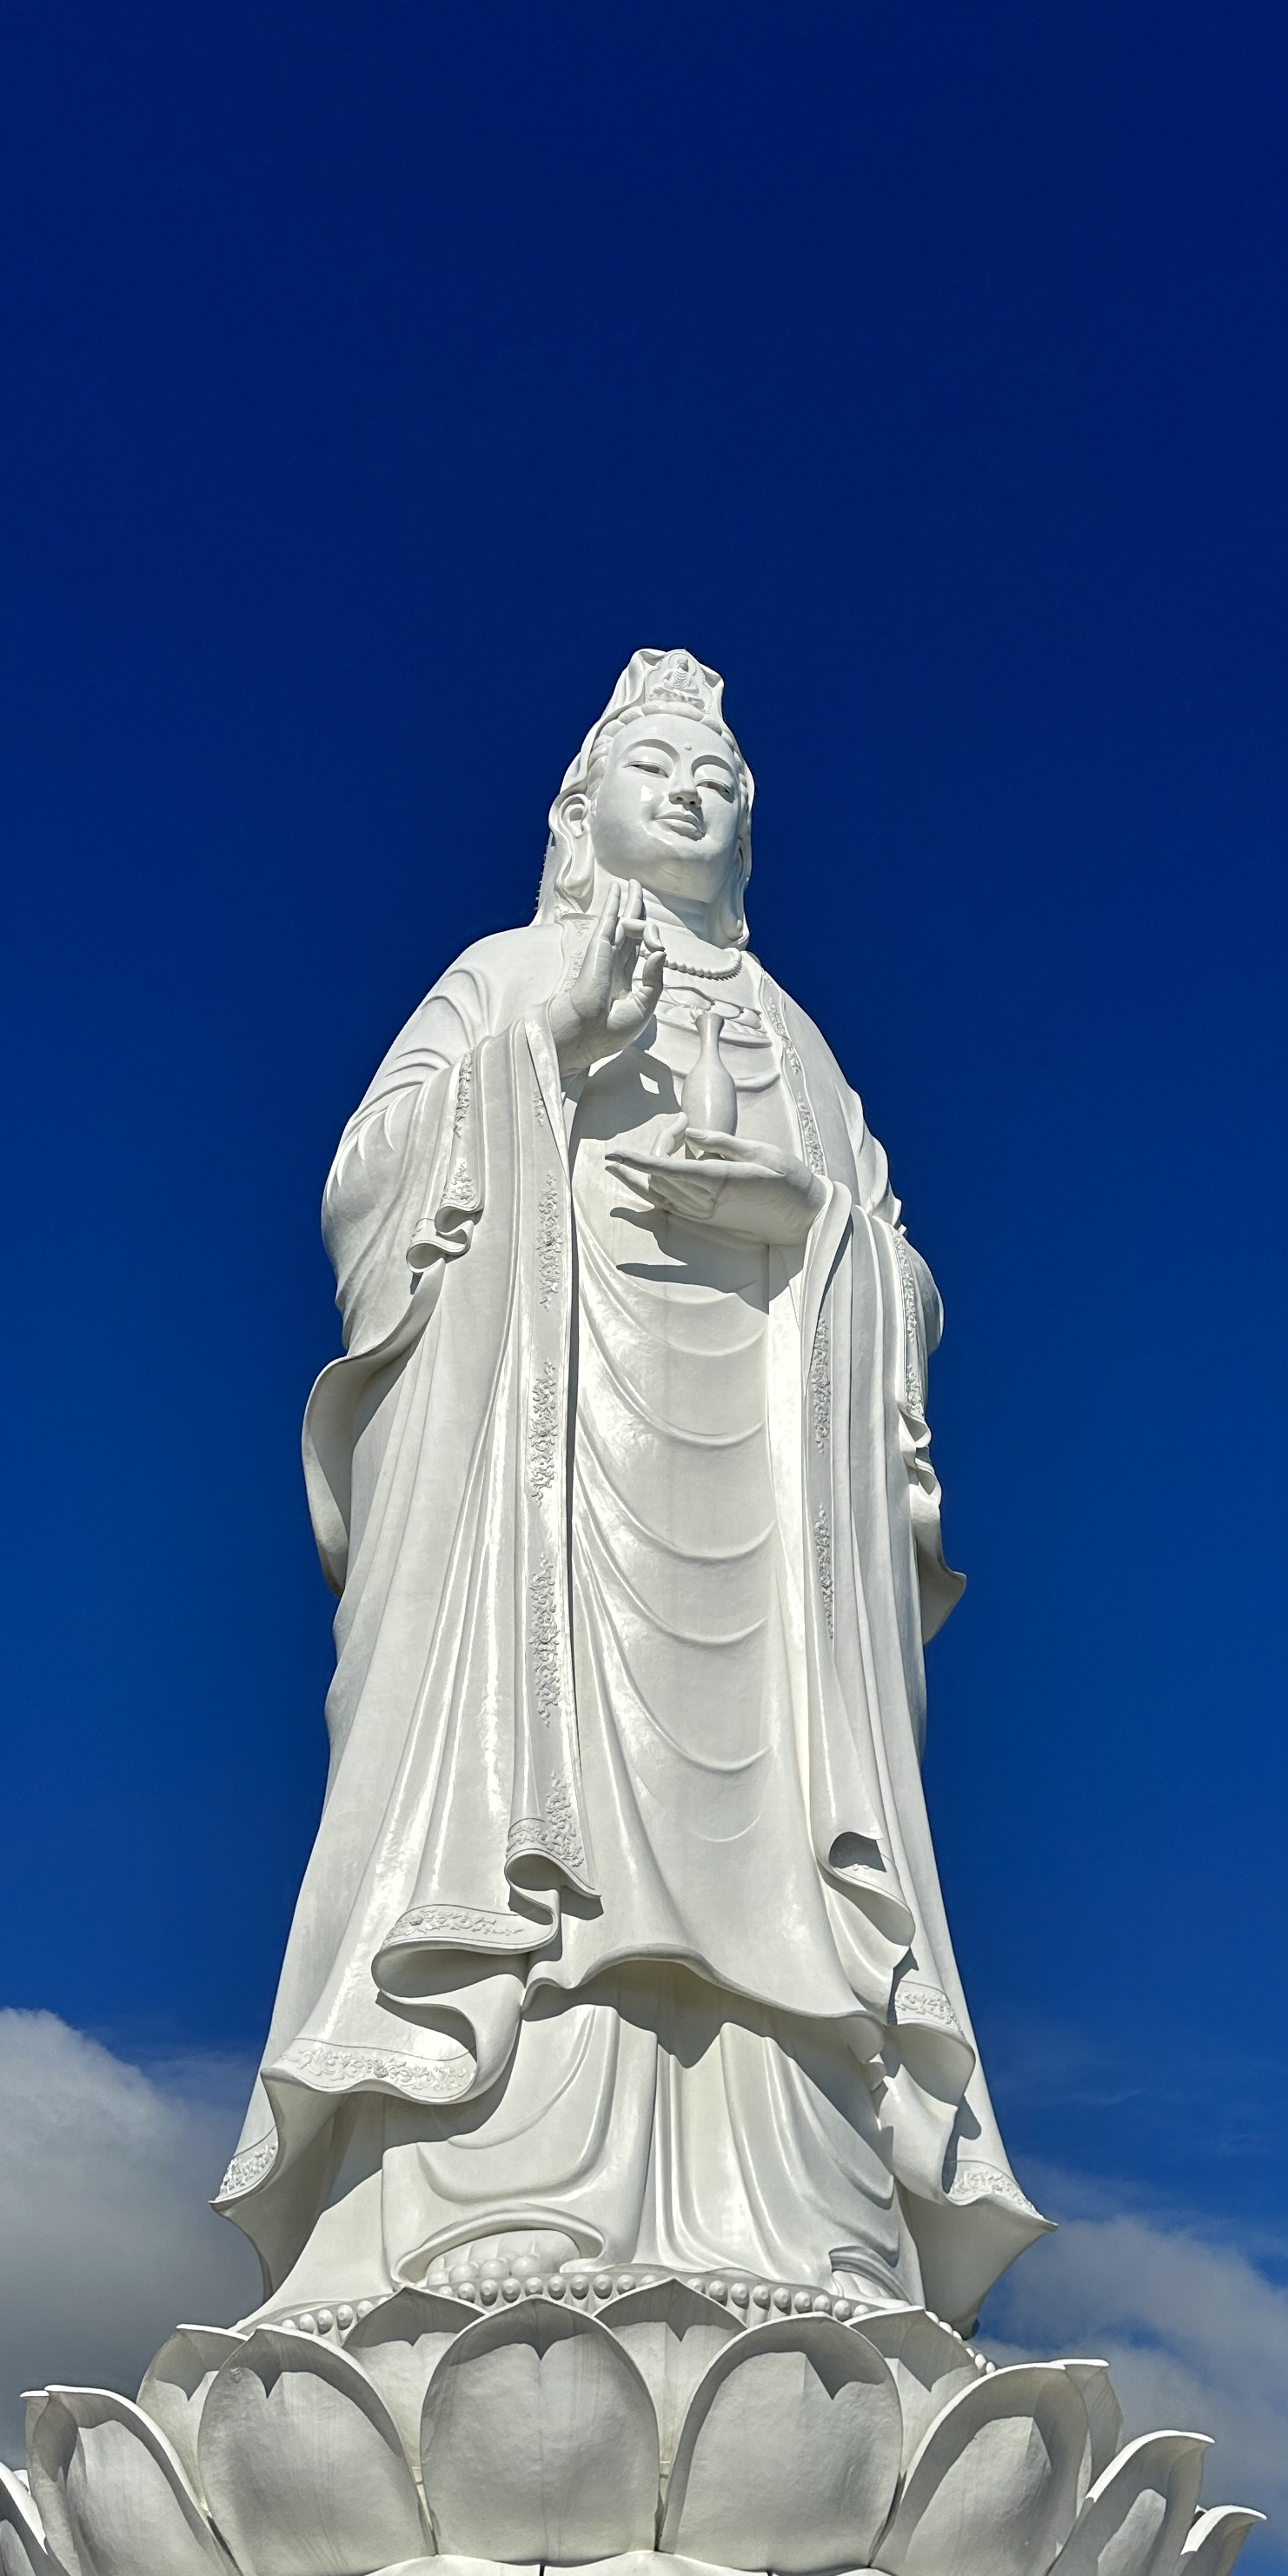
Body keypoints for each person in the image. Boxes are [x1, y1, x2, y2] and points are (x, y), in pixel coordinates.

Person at [216, 649, 1044, 2332]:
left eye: (722, 780)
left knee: (783, 1840)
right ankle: (494, 2185)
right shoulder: (506, 972)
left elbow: (899, 1274)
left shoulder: (803, 1046)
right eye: (658, 768)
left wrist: (805, 1229)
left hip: (770, 1516)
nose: (695, 794)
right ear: (579, 806)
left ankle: (803, 2215)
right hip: (540, 1476)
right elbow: (366, 1195)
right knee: (538, 1819)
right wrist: (537, 1054)